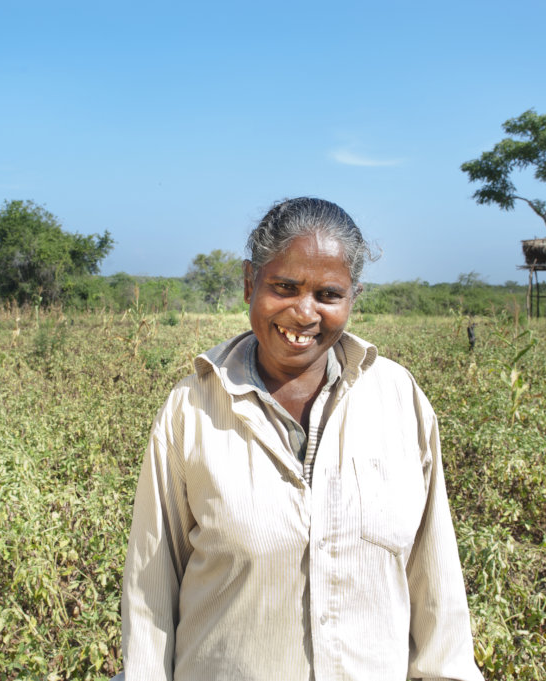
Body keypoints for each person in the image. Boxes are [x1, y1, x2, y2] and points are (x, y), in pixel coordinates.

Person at [119, 198, 484, 680]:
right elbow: (151, 589)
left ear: (353, 296)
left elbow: (435, 575)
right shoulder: (190, 409)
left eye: (328, 294)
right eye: (285, 287)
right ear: (251, 282)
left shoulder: (398, 399)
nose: (304, 312)